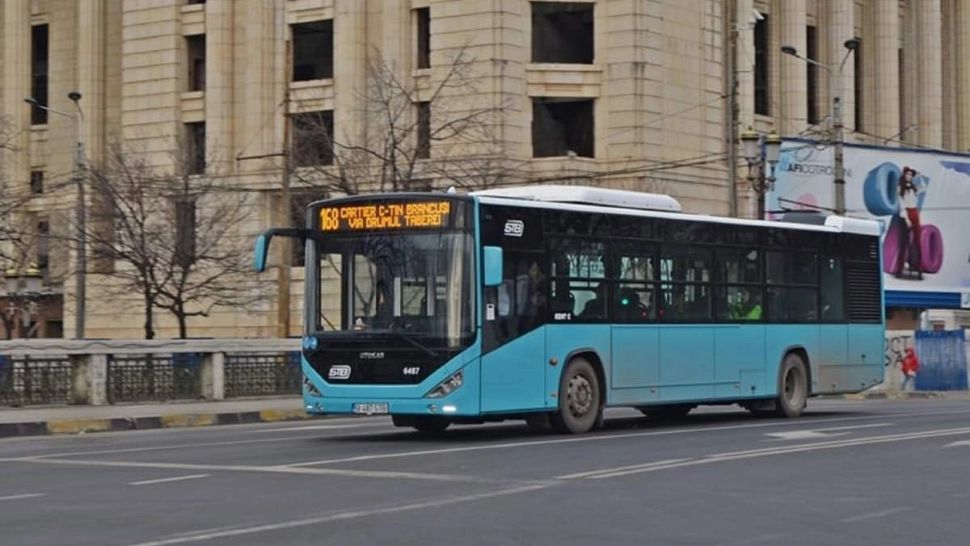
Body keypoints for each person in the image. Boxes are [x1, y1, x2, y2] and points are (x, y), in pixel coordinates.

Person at [895, 167, 924, 280]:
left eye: (911, 175)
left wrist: (919, 176)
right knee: (904, 243)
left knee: (917, 241)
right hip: (905, 214)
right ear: (904, 175)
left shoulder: (914, 187)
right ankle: (899, 269)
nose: (910, 176)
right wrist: (906, 219)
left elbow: (923, 188)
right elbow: (901, 204)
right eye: (908, 174)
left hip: (914, 212)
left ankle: (919, 268)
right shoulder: (900, 187)